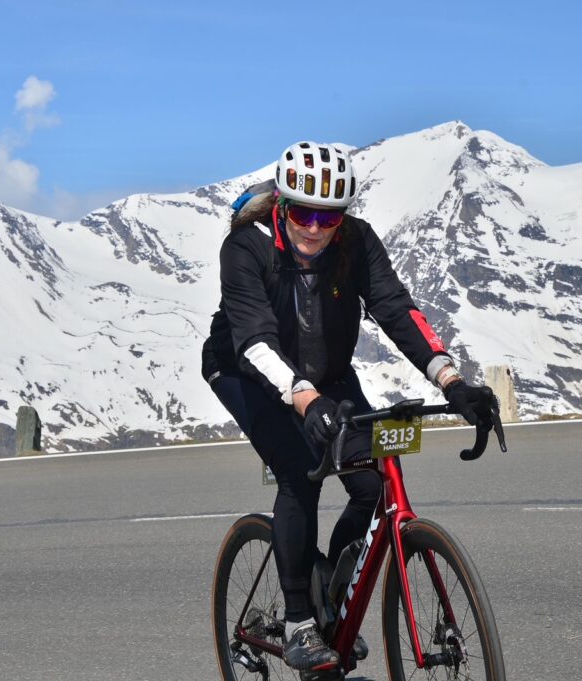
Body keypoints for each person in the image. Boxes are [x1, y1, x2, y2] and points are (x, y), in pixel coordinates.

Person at [201, 141, 495, 672]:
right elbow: (256, 341)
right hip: (245, 370)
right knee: (301, 471)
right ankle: (298, 621)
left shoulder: (355, 242)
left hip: (328, 375)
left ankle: (331, 598)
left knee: (373, 484)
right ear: (283, 206)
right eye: (305, 213)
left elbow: (397, 309)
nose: (316, 228)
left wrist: (452, 381)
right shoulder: (247, 247)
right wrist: (307, 402)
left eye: (330, 216)